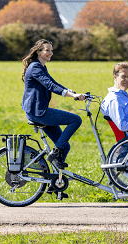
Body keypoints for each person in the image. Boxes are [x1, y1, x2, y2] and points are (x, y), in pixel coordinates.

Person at [21, 39, 85, 169]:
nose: (50, 53)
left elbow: (54, 83)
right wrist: (71, 95)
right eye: (47, 50)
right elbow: (50, 85)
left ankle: (55, 181)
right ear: (39, 52)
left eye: (51, 50)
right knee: (76, 120)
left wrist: (72, 92)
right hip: (37, 112)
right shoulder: (35, 67)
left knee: (65, 146)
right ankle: (55, 152)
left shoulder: (41, 67)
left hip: (40, 110)